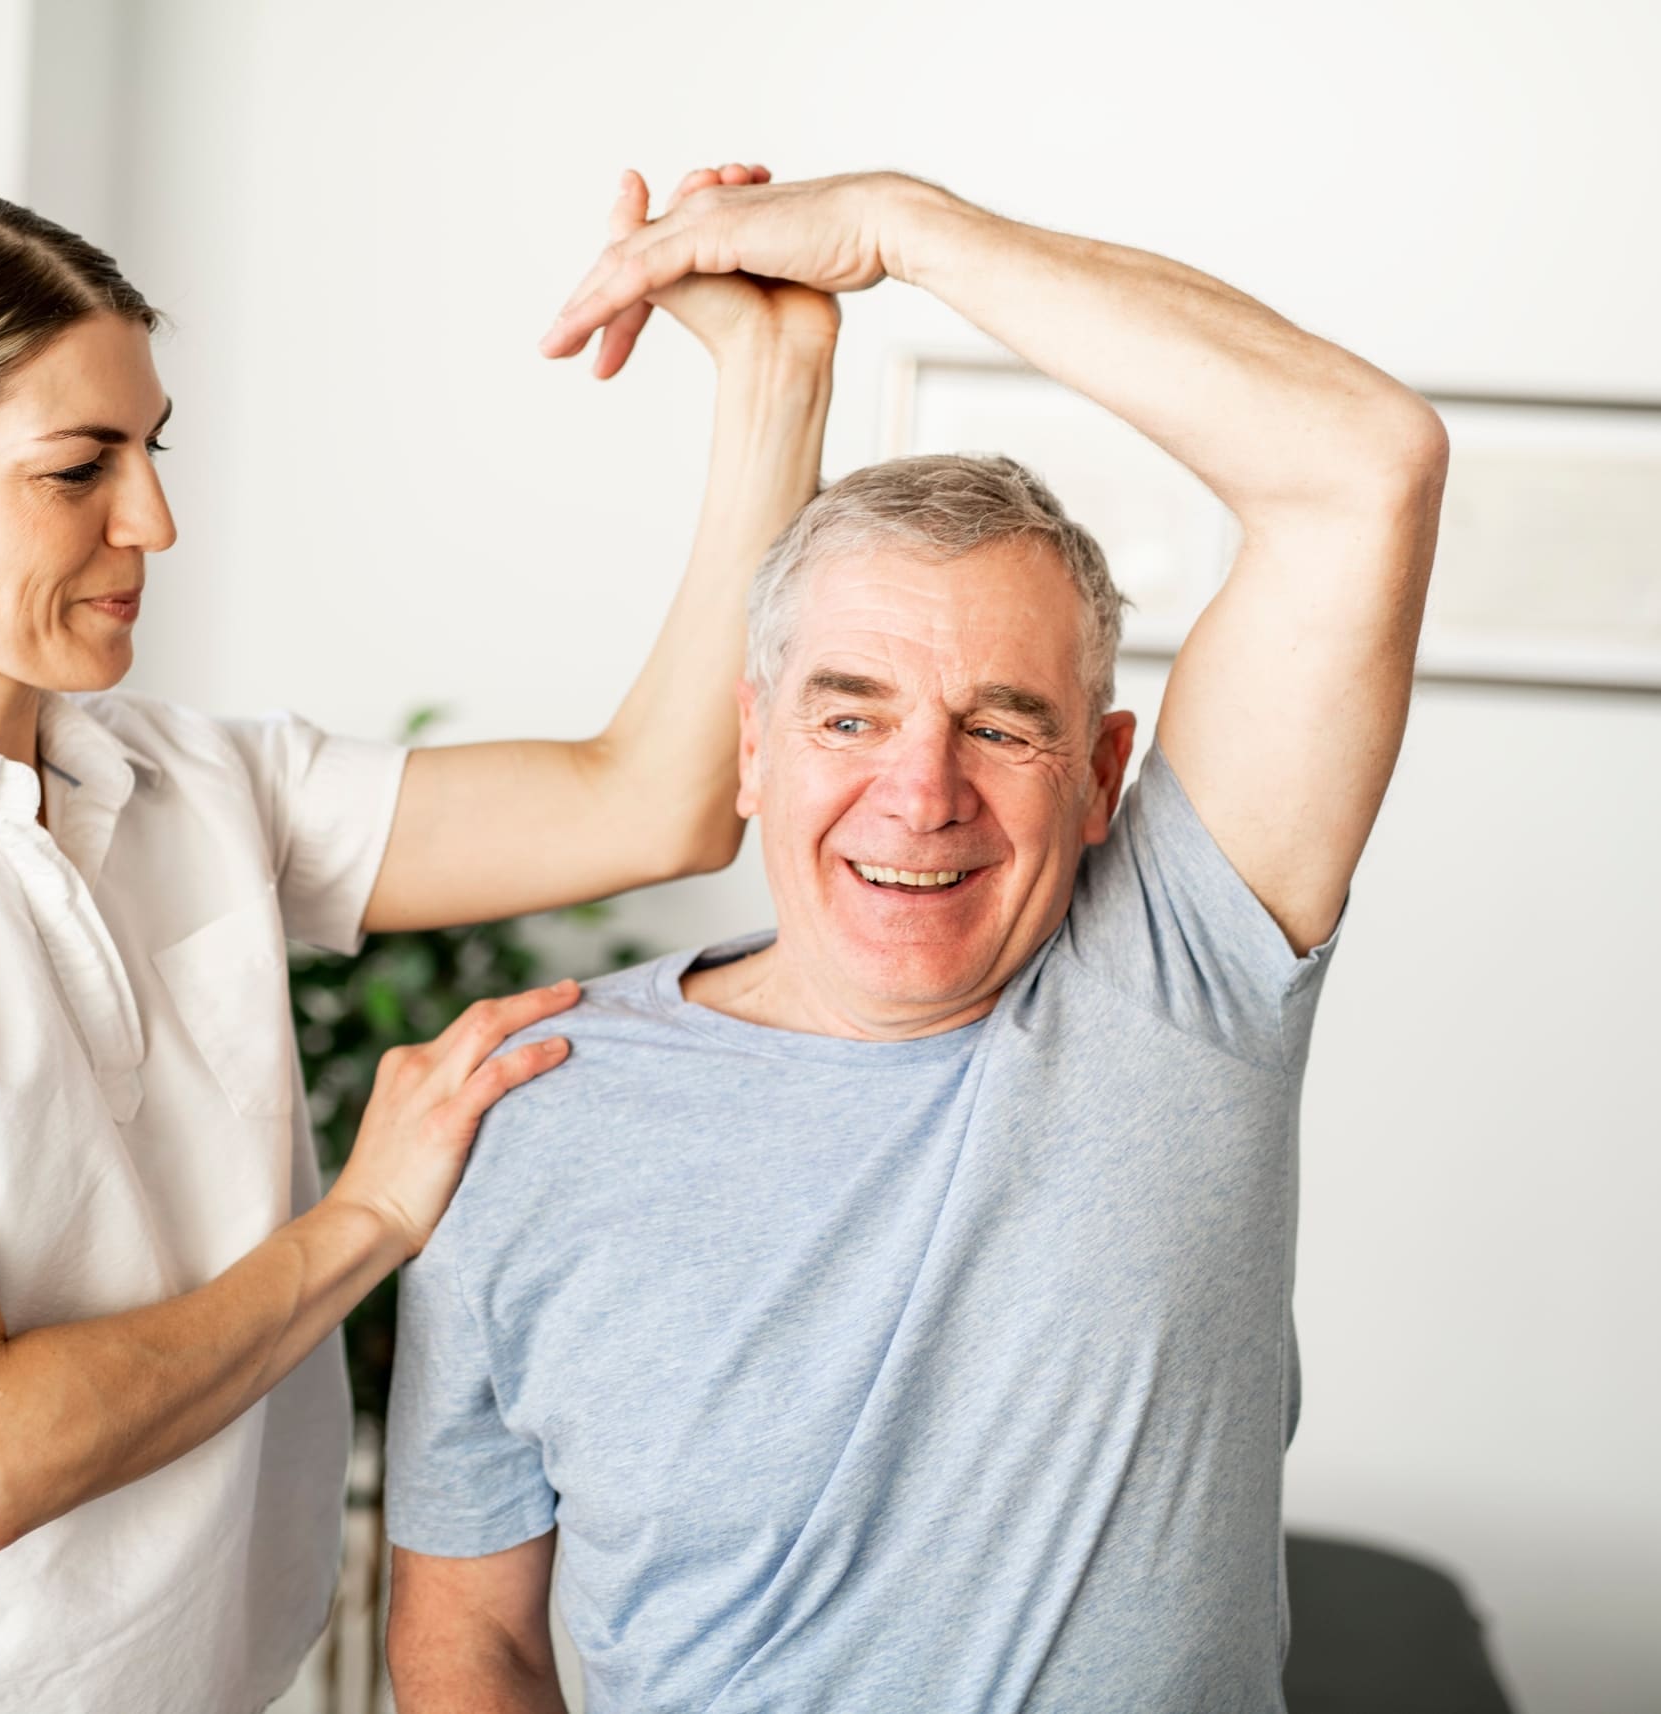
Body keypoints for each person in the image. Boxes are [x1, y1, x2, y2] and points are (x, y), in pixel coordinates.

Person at [0, 164, 838, 1711]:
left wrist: (775, 372)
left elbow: (658, 803)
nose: (154, 520)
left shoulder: (194, 783)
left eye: (152, 448)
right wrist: (366, 1215)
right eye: (79, 468)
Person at [383, 171, 1449, 1713]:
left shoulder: (1182, 970)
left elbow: (1364, 463)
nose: (923, 789)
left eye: (1001, 725)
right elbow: (466, 1637)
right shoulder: (527, 1105)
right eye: (851, 716)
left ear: (1100, 772)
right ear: (754, 746)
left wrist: (898, 228)